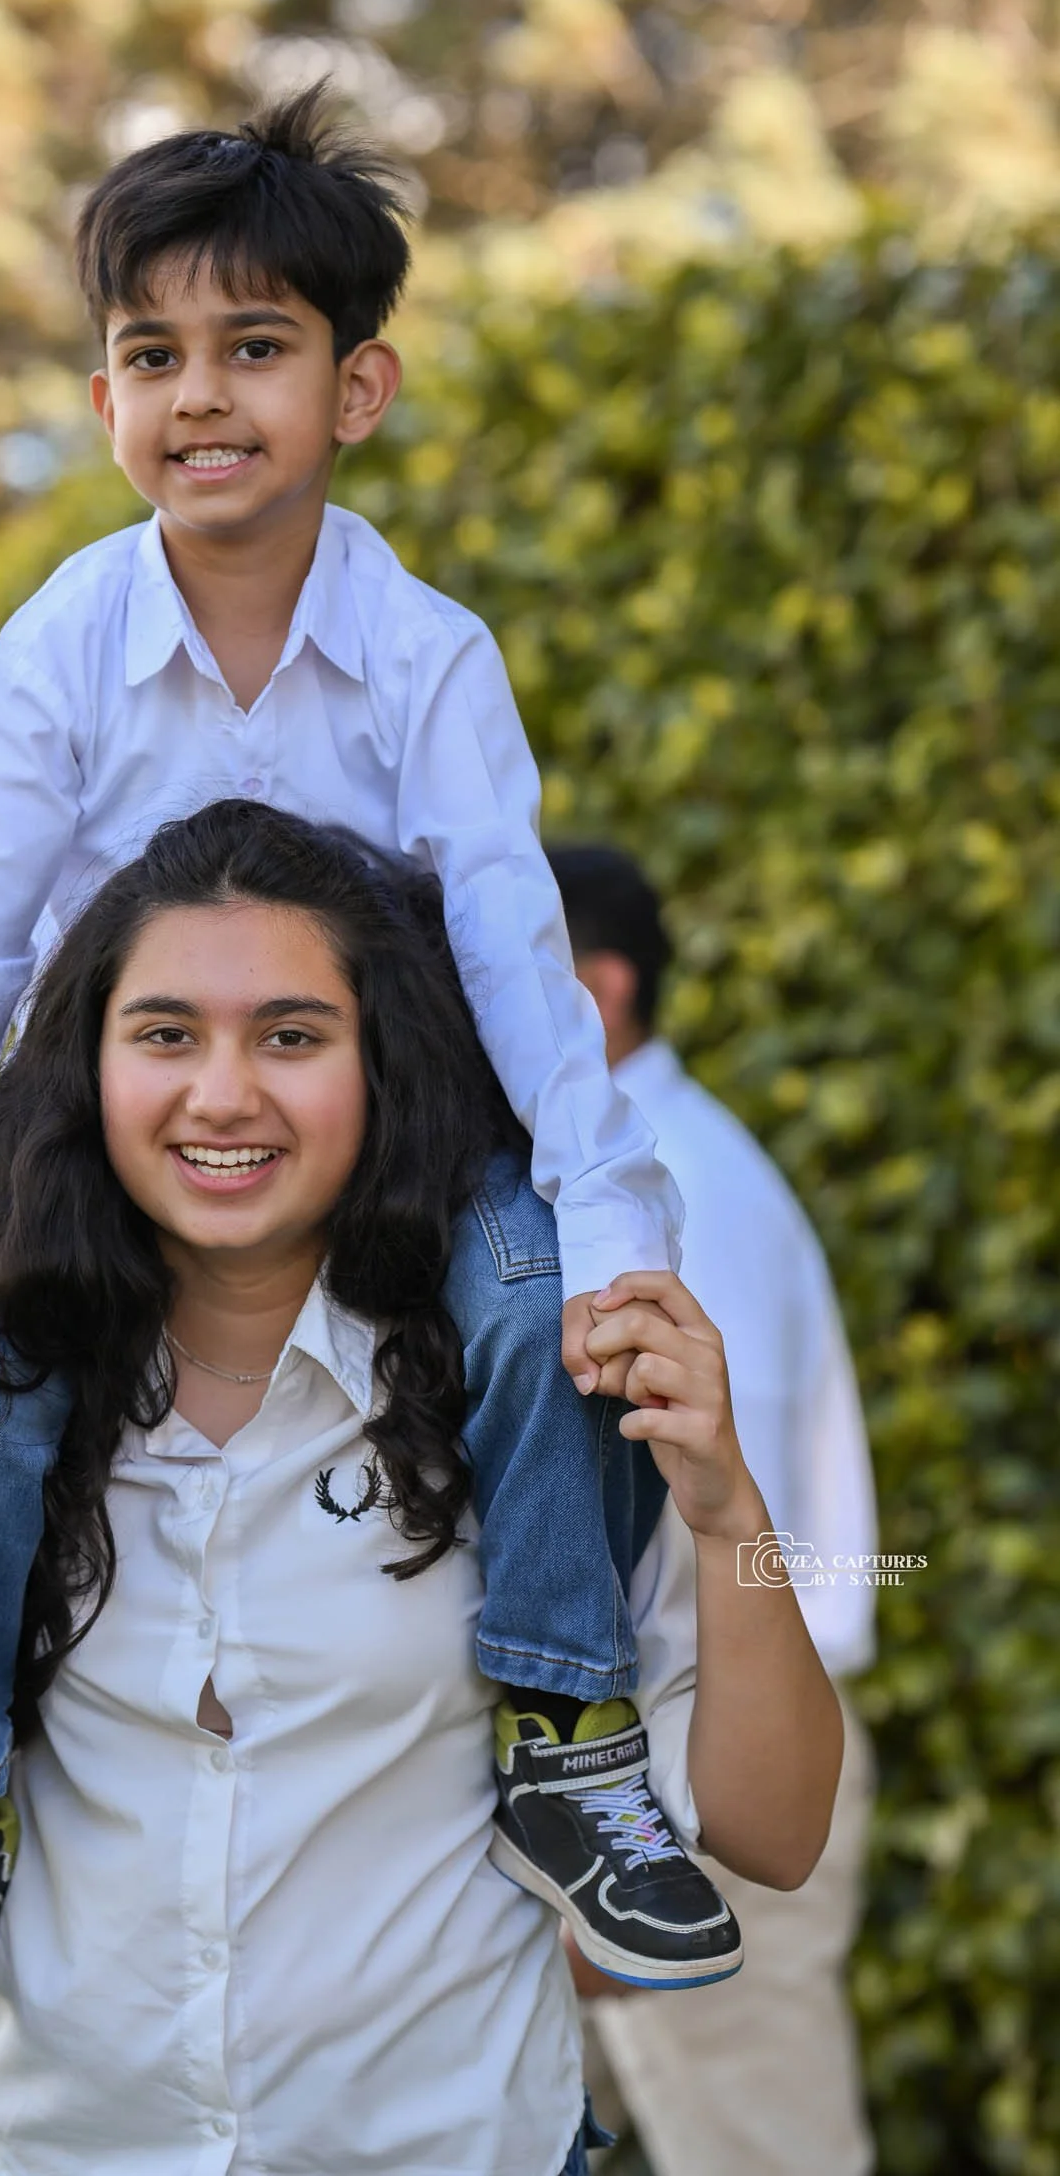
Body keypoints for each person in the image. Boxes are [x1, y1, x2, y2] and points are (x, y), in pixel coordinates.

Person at [0, 86, 747, 2086]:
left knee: (546, 1310)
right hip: (74, 1144)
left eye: (255, 348)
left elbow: (522, 969)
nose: (201, 396)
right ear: (105, 396)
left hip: (408, 1127)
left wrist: (615, 1229)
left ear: (356, 388)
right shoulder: (55, 649)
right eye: (151, 354)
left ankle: (563, 1724)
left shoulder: (428, 655)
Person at [0, 803, 843, 2174]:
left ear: (382, 1067)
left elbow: (771, 1835)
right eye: (165, 1034)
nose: (223, 1093)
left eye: (291, 1035)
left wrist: (731, 1520)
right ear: (87, 1068)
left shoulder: (531, 1397)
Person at [546, 844, 879, 2176]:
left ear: (597, 990)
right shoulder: (642, 1168)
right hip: (665, 1752)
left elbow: (701, 1527)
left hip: (713, 1758)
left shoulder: (663, 1189)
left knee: (763, 2154)